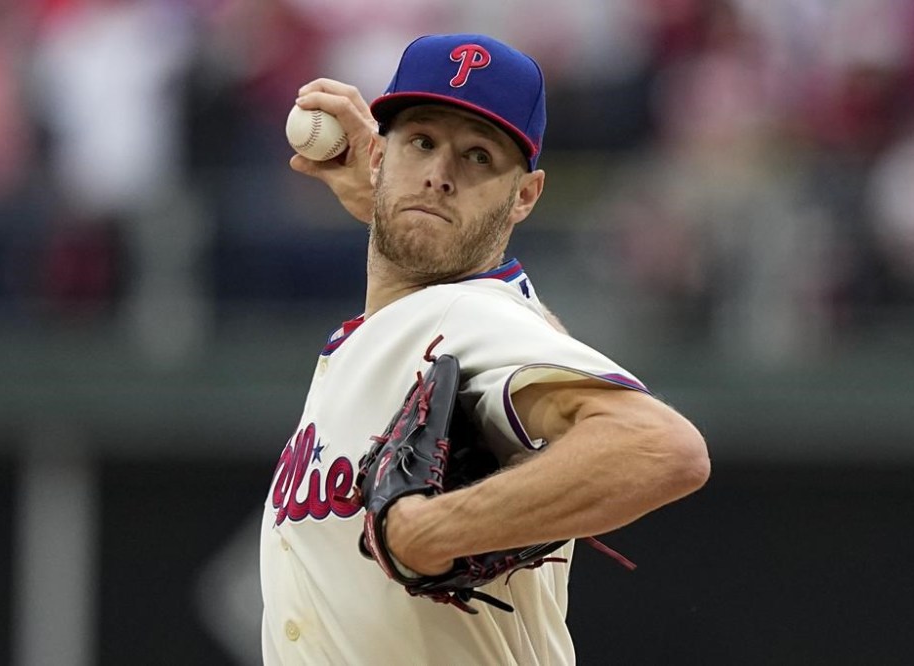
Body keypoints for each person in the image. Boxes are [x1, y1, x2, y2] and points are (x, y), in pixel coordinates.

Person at [260, 33, 710, 665]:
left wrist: (434, 530)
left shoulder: (462, 317)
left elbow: (662, 447)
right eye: (421, 142)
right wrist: (396, 214)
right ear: (378, 158)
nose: (440, 175)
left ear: (524, 195)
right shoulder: (415, 325)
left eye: (477, 157)